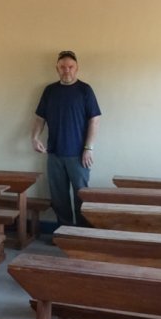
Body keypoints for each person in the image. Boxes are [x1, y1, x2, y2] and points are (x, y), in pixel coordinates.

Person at [30, 50, 101, 227]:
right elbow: (40, 118)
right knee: (58, 197)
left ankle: (83, 233)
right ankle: (64, 232)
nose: (66, 70)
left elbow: (95, 120)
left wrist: (88, 148)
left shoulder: (85, 90)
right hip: (54, 153)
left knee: (82, 196)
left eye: (70, 67)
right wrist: (34, 137)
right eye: (62, 67)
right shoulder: (50, 91)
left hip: (78, 155)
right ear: (57, 68)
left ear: (77, 68)